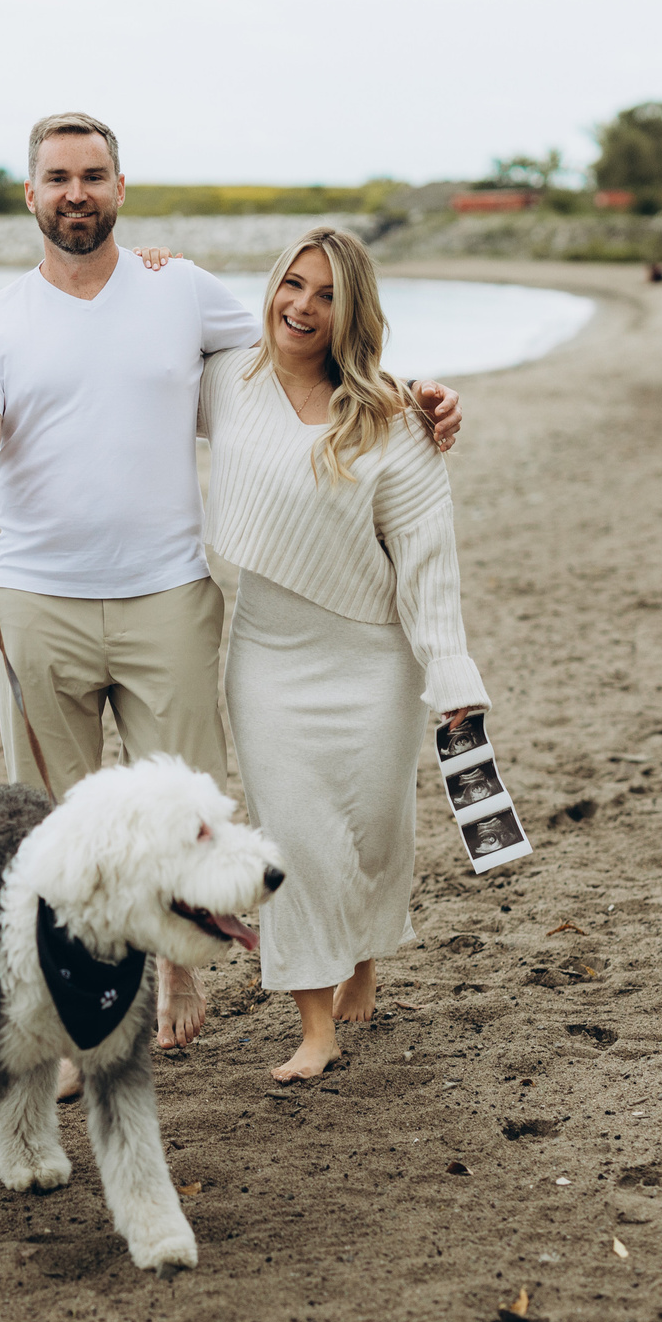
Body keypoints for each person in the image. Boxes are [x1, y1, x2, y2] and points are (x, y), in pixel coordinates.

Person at [0, 113, 463, 1077]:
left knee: (190, 815)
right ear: (31, 193)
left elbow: (309, 349)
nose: (75, 192)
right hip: (41, 600)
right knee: (60, 831)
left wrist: (417, 396)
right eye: (57, 176)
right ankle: (79, 1024)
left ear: (121, 188)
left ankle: (179, 969)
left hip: (170, 600)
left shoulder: (178, 290)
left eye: (93, 174)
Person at [186, 225, 491, 1083]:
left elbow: (428, 561)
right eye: (292, 283)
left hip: (374, 656)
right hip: (268, 653)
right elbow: (128, 377)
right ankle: (314, 1025)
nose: (302, 306)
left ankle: (364, 958)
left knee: (373, 829)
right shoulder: (223, 379)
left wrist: (451, 676)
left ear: (352, 311)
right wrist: (153, 267)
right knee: (295, 834)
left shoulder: (393, 416)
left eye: (326, 295)